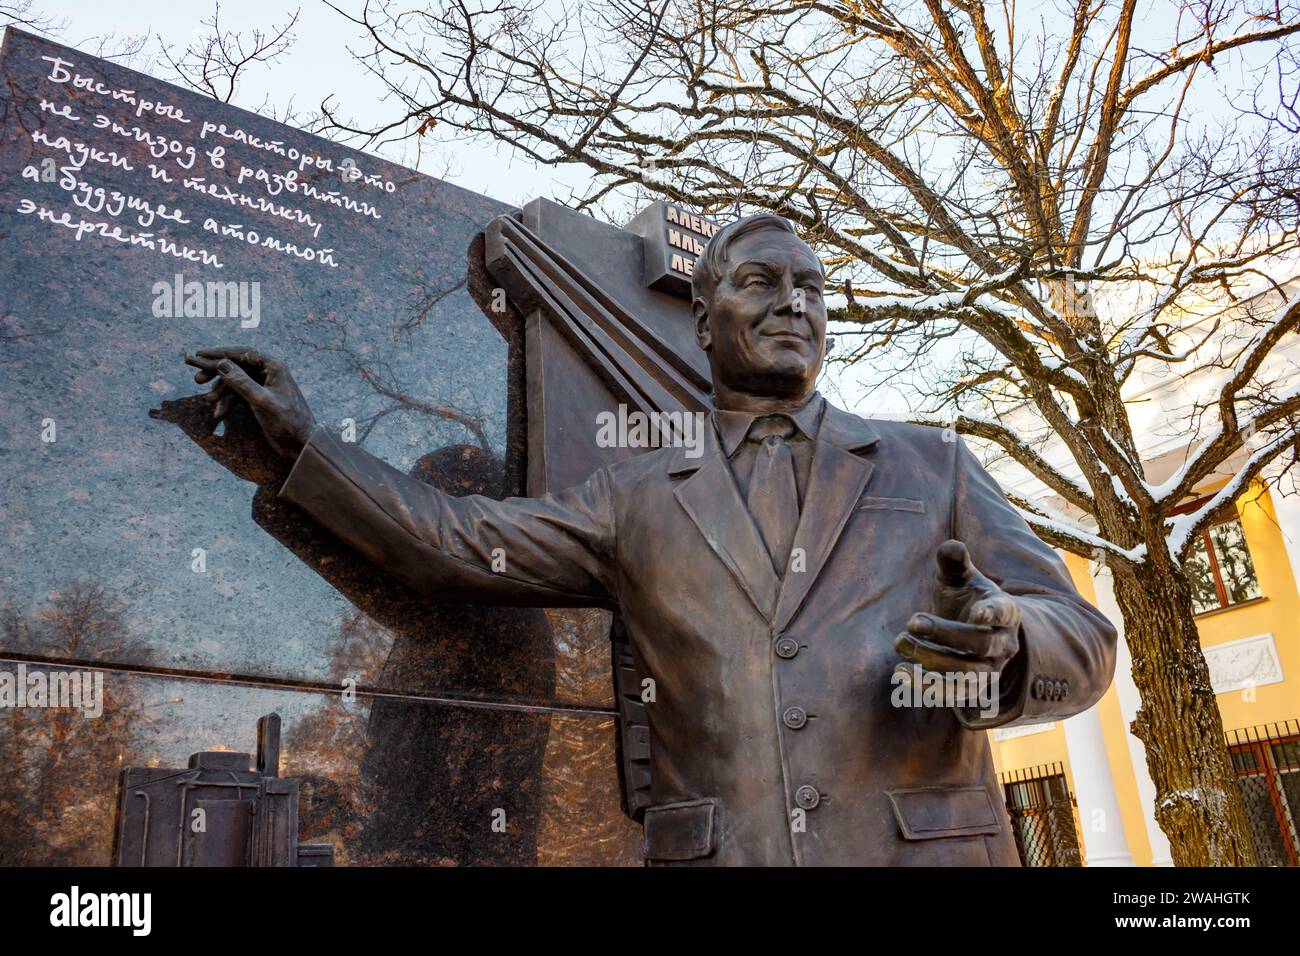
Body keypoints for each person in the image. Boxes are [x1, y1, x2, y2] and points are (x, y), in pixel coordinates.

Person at [186, 213, 1116, 866]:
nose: (796, 303)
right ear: (704, 322)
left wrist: (1006, 639)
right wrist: (304, 446)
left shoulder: (933, 465)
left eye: (812, 289)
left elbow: (1081, 634)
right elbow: (458, 540)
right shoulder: (635, 497)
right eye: (762, 284)